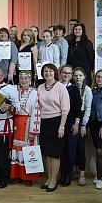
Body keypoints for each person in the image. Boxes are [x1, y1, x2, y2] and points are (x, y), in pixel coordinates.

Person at [37, 63, 69, 192]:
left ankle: (54, 180)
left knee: (55, 154)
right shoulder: (39, 87)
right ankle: (49, 178)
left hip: (57, 121)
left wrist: (62, 126)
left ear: (55, 73)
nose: (48, 73)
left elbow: (65, 109)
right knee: (47, 153)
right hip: (44, 122)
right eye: (45, 71)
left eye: (50, 71)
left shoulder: (60, 87)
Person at [10, 71, 41, 187]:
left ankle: (28, 177)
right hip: (16, 123)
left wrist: (34, 130)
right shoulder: (15, 91)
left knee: (28, 150)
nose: (23, 81)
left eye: (26, 78)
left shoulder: (34, 93)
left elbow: (36, 112)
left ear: (30, 80)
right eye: (21, 78)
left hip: (28, 124)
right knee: (16, 150)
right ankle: (17, 175)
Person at [58, 64, 82, 187]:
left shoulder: (74, 89)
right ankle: (62, 174)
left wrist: (76, 123)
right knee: (61, 151)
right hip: (58, 124)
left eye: (68, 73)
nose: (66, 75)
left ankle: (68, 175)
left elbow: (78, 108)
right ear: (60, 73)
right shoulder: (55, 87)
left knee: (70, 150)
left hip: (71, 123)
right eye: (64, 73)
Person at [72, 67, 92, 186]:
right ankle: (74, 171)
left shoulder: (87, 90)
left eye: (80, 75)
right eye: (75, 75)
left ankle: (82, 175)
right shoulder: (71, 88)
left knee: (80, 148)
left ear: (84, 76)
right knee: (72, 148)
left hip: (83, 121)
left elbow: (88, 108)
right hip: (74, 119)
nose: (78, 77)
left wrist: (84, 124)